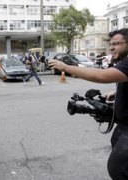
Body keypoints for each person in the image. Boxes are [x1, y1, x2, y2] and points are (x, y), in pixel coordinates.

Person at [49, 28, 128, 180]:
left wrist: (65, 67)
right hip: (122, 126)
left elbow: (103, 76)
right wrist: (116, 92)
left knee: (118, 169)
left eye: (116, 44)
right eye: (110, 44)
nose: (111, 48)